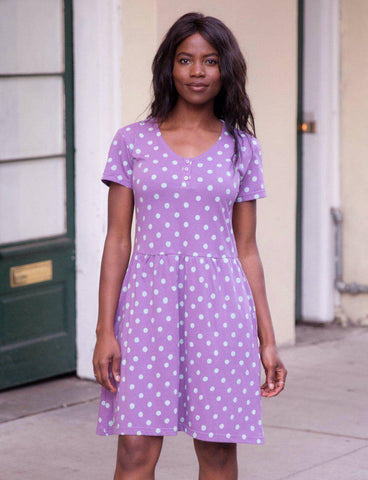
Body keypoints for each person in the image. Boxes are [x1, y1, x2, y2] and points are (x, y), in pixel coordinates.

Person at [93, 11, 287, 480]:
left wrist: (267, 339)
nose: (197, 72)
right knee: (134, 451)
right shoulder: (132, 142)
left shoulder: (243, 147)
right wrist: (105, 330)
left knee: (218, 454)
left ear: (226, 71)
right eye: (185, 60)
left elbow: (247, 249)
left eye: (210, 61)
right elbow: (118, 241)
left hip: (221, 310)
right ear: (169, 67)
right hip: (146, 310)